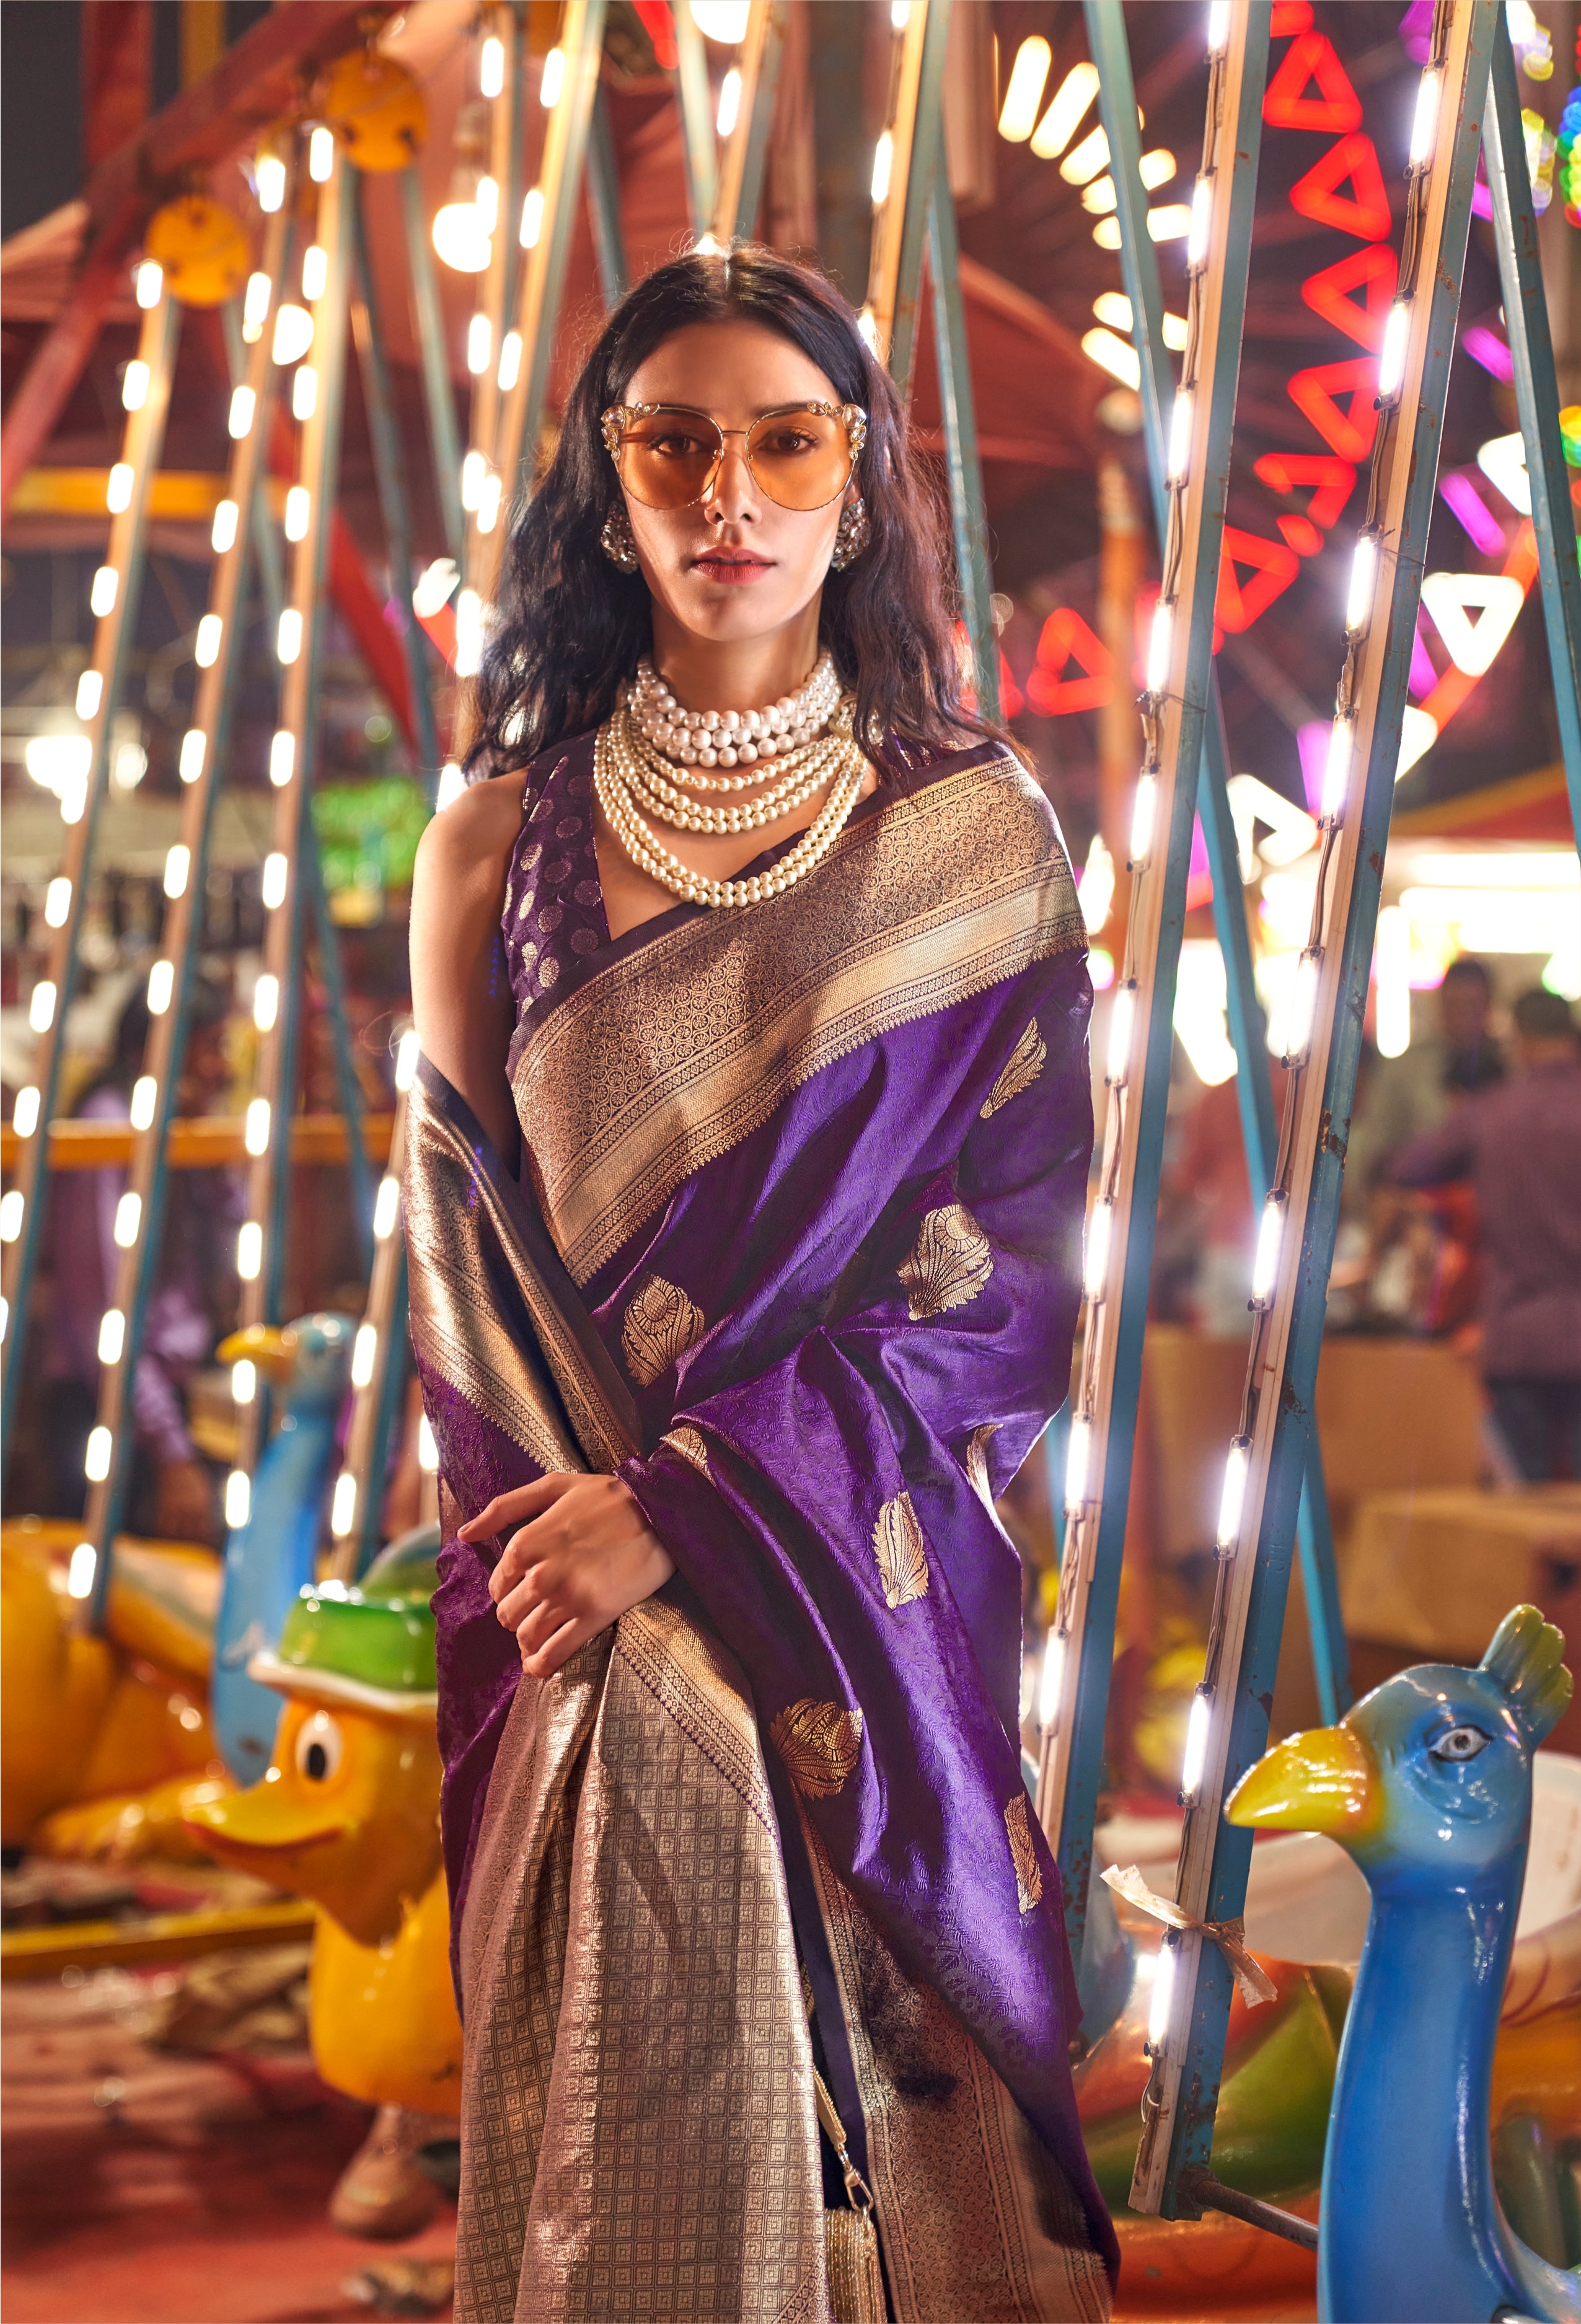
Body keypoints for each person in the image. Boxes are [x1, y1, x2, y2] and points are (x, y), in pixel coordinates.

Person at [407, 247, 1116, 2320]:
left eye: (784, 441)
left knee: (757, 1774)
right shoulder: (491, 843)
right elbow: (467, 1280)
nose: (731, 492)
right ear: (606, 485)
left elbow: (1010, 1294)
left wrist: (700, 1514)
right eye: (676, 442)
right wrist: (597, 1555)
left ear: (861, 487)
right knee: (666, 1784)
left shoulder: (971, 844)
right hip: (565, 1584)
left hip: (857, 1579)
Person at [42, 976, 239, 1541]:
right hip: (112, 1412)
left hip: (165, 1403)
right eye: (212, 1046)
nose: (222, 1067)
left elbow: (228, 1257)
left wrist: (215, 1164)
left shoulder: (181, 1131)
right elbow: (104, 1315)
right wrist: (170, 1452)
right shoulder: (111, 1130)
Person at [1392, 986, 1581, 1481]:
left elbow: (1410, 1165)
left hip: (1517, 1337)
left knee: (1525, 1515)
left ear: (1517, 1039)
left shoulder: (1491, 1114)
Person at [1345, 954, 1505, 1207]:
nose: (1463, 1016)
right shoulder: (1406, 1069)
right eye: (1454, 1004)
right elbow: (1376, 1147)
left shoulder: (1507, 1066)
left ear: (1488, 1006)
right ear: (1441, 1003)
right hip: (1420, 1209)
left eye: (1472, 1005)